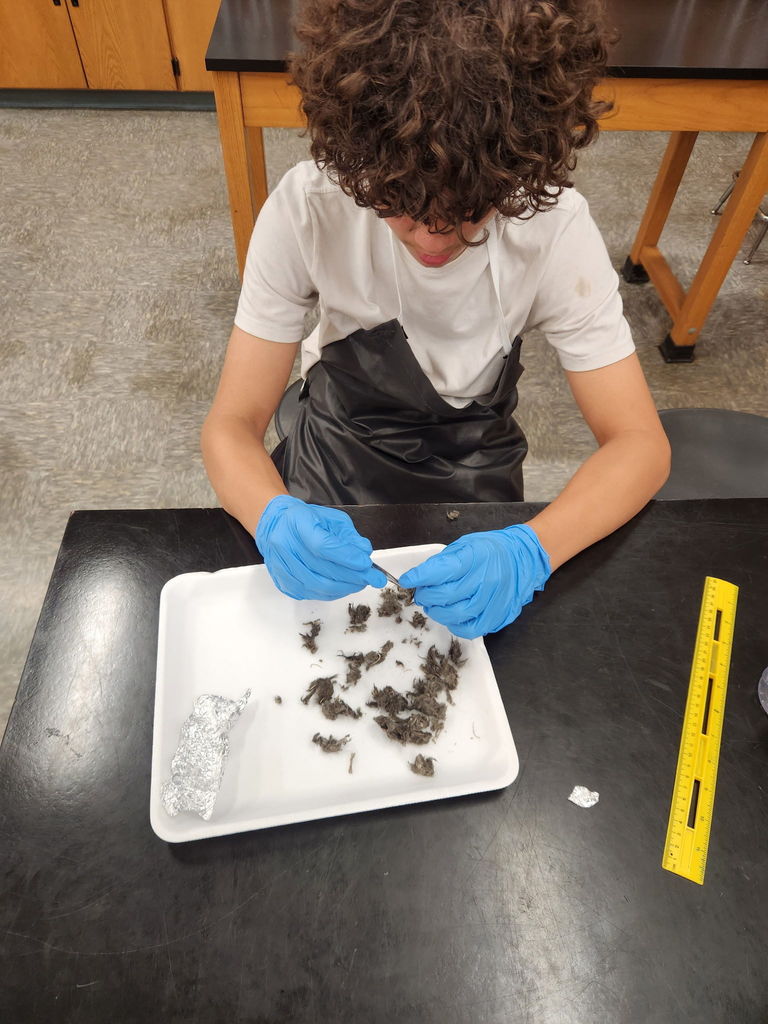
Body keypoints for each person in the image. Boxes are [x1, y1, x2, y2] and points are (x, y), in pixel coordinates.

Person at [201, 0, 670, 639]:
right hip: (336, 448)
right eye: (399, 204)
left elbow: (640, 445)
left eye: (471, 209)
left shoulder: (554, 230)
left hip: (476, 467)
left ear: (517, 171)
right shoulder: (309, 209)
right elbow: (231, 424)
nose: (432, 237)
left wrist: (534, 548)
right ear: (360, 164)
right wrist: (272, 515)